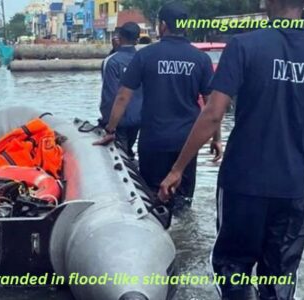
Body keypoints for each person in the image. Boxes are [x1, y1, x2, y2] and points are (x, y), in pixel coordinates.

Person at [158, 0, 304, 298]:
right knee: (279, 277)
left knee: (233, 269)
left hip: (243, 185)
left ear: (267, 1)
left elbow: (213, 113)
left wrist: (177, 168)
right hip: (292, 188)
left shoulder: (243, 46)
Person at [95, 1, 222, 206]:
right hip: (187, 143)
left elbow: (122, 97)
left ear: (163, 25)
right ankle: (184, 237)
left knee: (153, 200)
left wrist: (111, 129)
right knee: (183, 201)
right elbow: (211, 106)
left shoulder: (146, 55)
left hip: (154, 140)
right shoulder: (200, 59)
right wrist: (216, 138)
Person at [99, 22, 143, 157]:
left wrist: (108, 124)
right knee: (129, 149)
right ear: (137, 39)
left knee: (119, 155)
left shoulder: (112, 61)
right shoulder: (142, 58)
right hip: (139, 118)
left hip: (118, 121)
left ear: (119, 37)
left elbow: (110, 94)